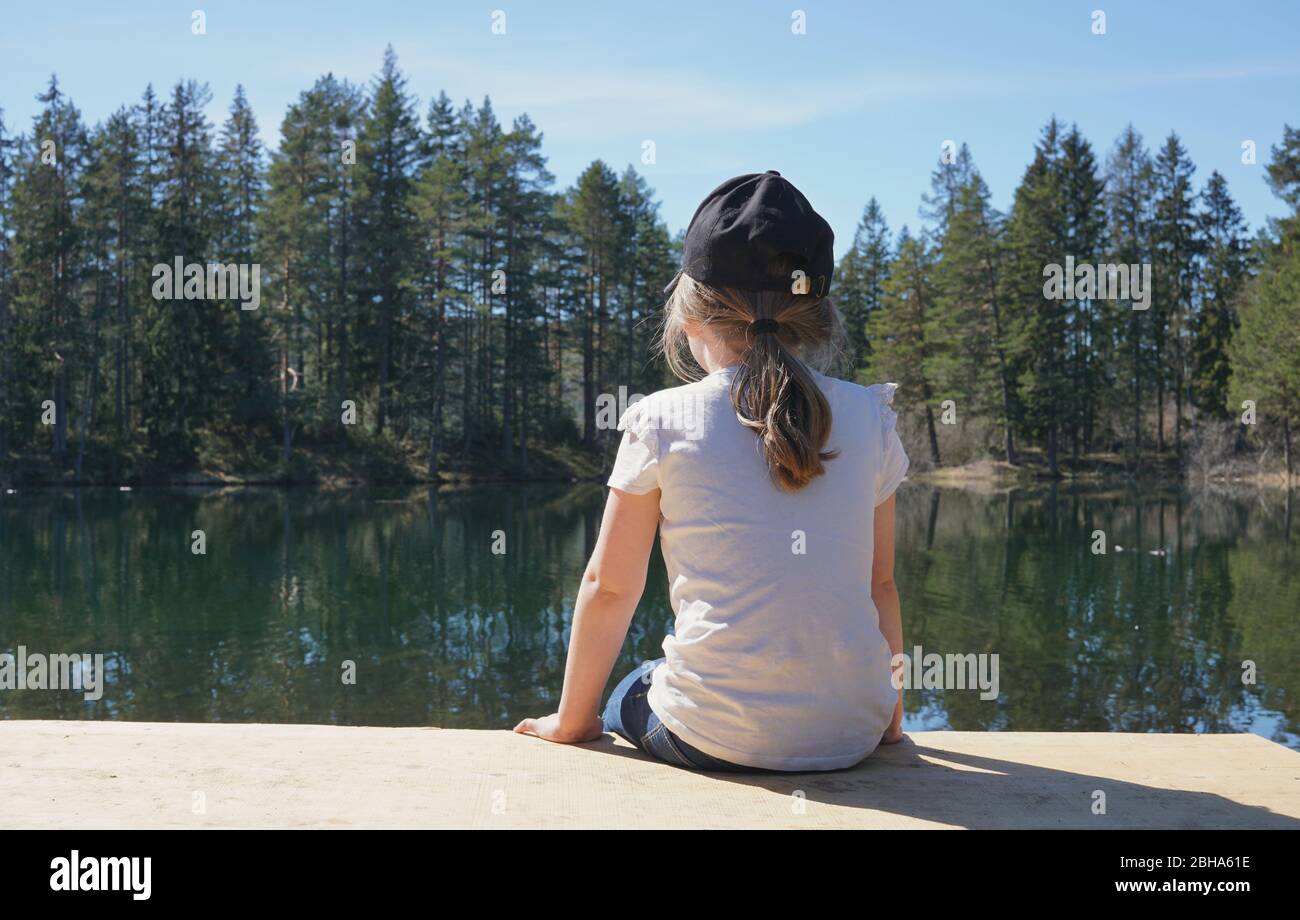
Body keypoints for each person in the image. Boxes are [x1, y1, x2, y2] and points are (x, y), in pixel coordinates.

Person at [514, 170, 909, 771]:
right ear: (817, 318)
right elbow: (881, 587)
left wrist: (572, 722)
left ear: (692, 314)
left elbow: (610, 588)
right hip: (852, 734)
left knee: (636, 682)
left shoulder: (662, 419)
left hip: (712, 737)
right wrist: (887, 722)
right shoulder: (869, 416)